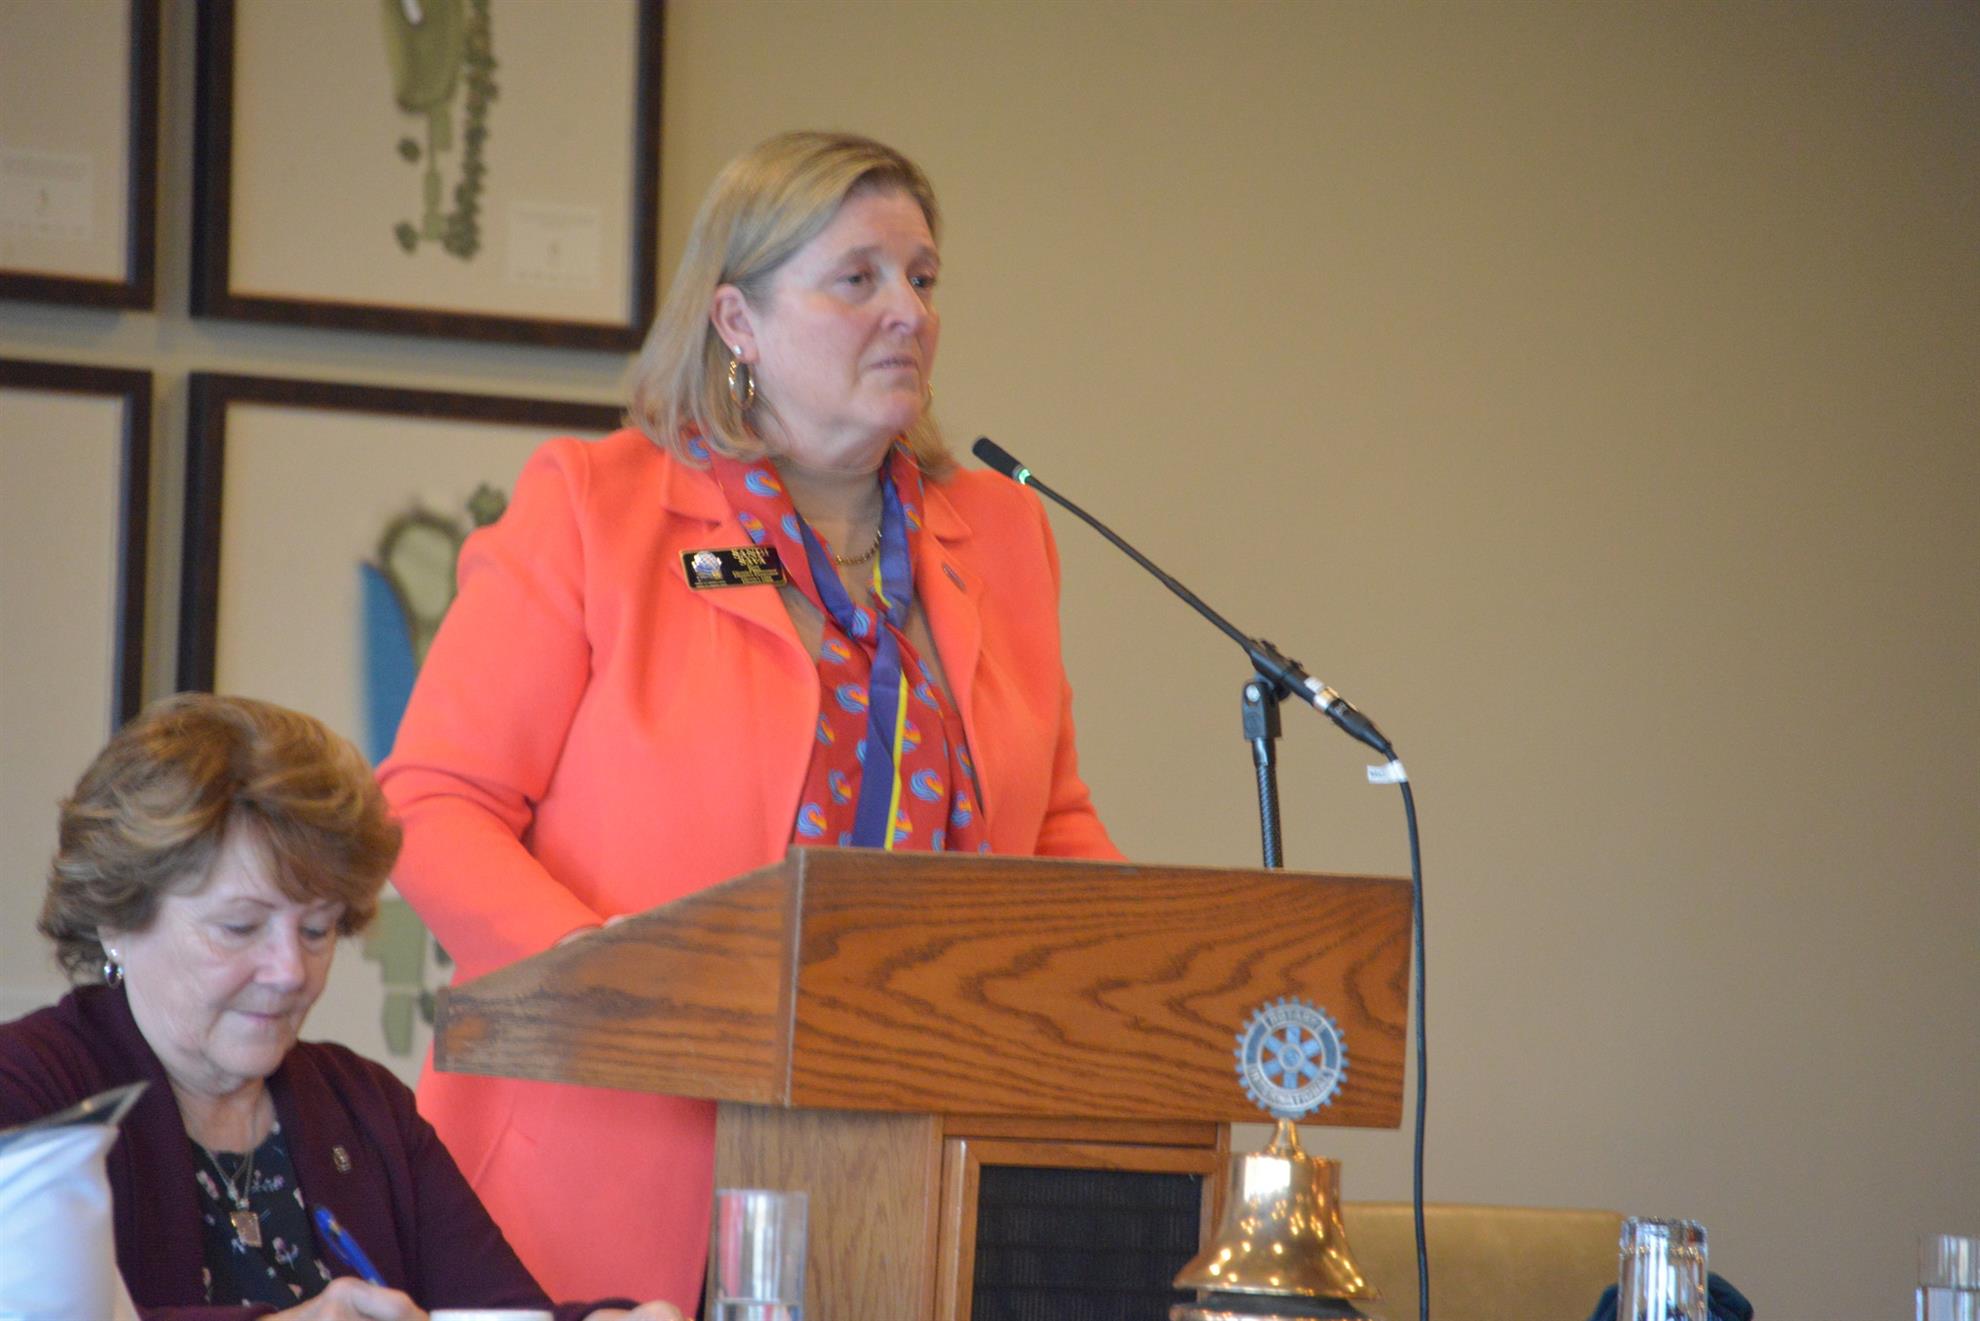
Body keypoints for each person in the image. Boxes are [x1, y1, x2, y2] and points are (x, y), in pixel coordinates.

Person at [379, 130, 1123, 1300]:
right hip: (608, 1152)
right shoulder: (597, 510)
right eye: (857, 278)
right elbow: (433, 802)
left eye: (923, 278)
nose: (909, 312)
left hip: (911, 1168)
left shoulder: (1000, 535)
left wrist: (1135, 981)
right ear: (738, 321)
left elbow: (1055, 828)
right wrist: (605, 979)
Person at [0, 692, 685, 1321]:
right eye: (240, 927)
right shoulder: (29, 1086)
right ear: (117, 918)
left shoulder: (364, 1106)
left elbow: (497, 1311)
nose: (290, 971)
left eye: (317, 929)